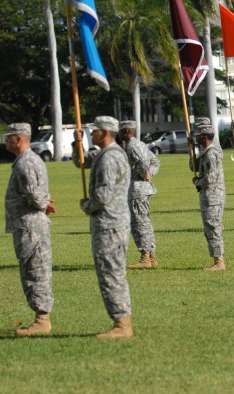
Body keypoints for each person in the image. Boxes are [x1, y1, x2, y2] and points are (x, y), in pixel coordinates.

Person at [73, 116, 133, 339]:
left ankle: (122, 324)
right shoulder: (106, 154)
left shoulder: (110, 158)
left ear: (105, 132)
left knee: (111, 272)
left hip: (110, 223)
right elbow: (80, 162)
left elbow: (103, 195)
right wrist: (77, 143)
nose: (91, 133)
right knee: (111, 271)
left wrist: (87, 206)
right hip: (110, 223)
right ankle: (121, 321)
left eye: (94, 130)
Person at [5, 123, 56, 336]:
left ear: (18, 139)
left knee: (35, 271)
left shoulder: (25, 163)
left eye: (8, 137)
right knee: (34, 269)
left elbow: (34, 195)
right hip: (29, 225)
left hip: (30, 227)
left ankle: (42, 320)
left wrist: (43, 204)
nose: (5, 141)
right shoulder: (28, 160)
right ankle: (40, 318)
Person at [118, 121, 160, 269]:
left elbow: (143, 162)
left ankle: (145, 258)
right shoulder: (141, 144)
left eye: (121, 131)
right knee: (145, 223)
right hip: (143, 189)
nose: (119, 134)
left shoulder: (132, 145)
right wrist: (150, 173)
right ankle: (152, 256)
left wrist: (145, 174)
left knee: (139, 224)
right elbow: (155, 160)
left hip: (137, 189)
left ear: (127, 132)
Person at [192, 124, 226, 270]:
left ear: (205, 137)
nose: (196, 137)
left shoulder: (211, 154)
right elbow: (194, 166)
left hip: (213, 196)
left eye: (198, 135)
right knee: (210, 228)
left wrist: (197, 181)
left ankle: (219, 262)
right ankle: (217, 260)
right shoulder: (206, 152)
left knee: (213, 228)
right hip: (209, 195)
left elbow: (210, 178)